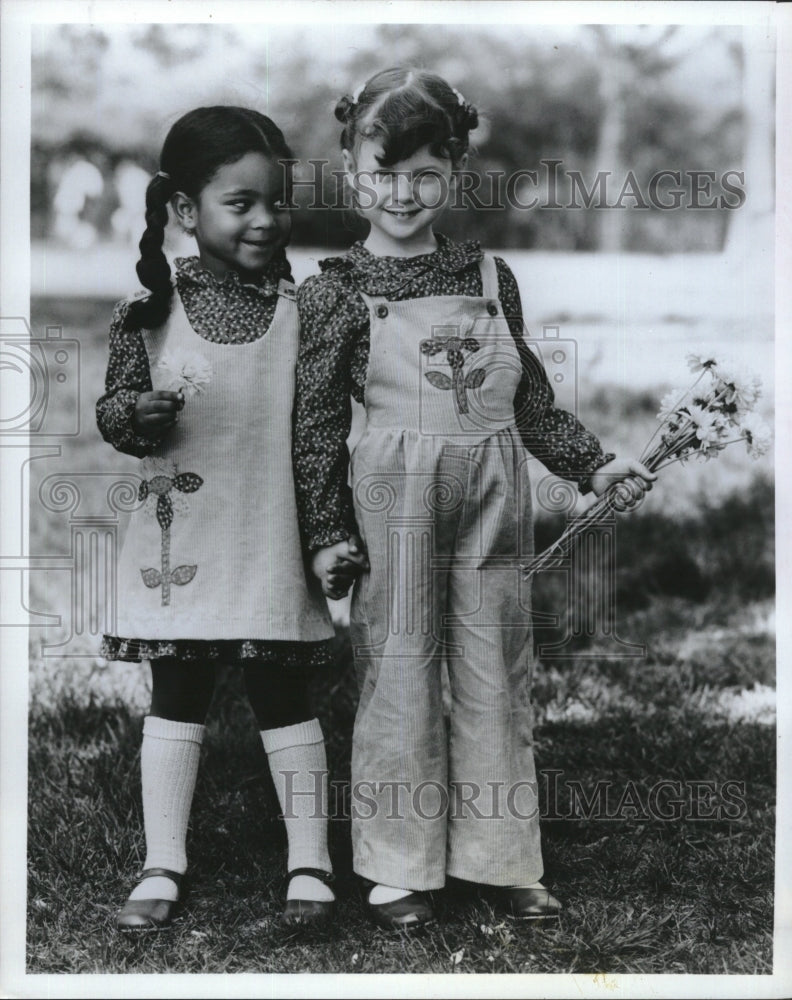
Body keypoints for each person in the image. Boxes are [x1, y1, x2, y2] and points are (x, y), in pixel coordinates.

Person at [293, 68, 656, 932]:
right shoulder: (335, 289)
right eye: (384, 172)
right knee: (398, 673)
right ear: (352, 171)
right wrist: (327, 532)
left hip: (493, 494)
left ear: (454, 171)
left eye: (425, 172)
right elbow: (312, 424)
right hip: (394, 502)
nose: (403, 193)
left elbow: (525, 396)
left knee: (496, 668)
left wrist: (590, 465)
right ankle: (396, 865)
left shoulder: (489, 275)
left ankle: (503, 859)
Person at [97, 106, 366, 933]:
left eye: (275, 203)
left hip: (270, 537)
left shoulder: (306, 312)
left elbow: (319, 434)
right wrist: (135, 413)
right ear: (184, 210)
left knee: (282, 693)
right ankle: (162, 861)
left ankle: (311, 863)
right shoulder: (147, 311)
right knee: (177, 692)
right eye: (239, 203)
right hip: (182, 541)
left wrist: (328, 535)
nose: (264, 219)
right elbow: (113, 416)